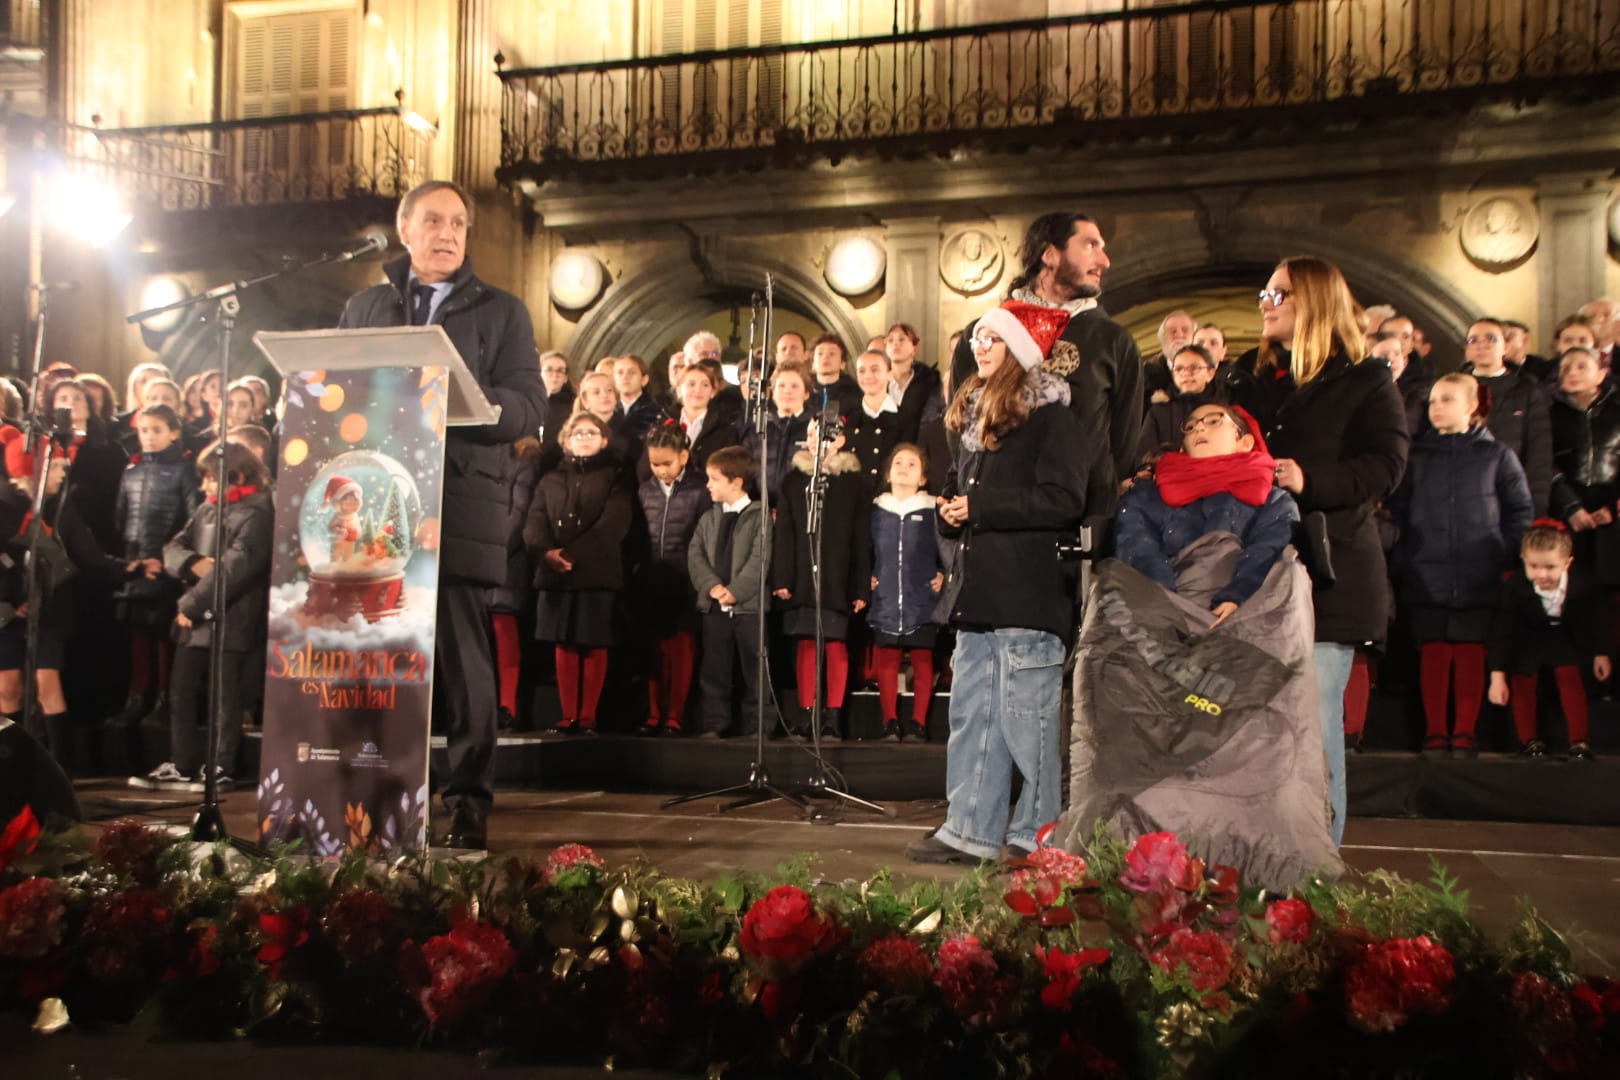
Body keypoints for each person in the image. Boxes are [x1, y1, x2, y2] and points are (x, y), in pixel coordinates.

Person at [337, 179, 546, 849]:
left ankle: (469, 800)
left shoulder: (502, 311)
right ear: (405, 230)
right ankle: (388, 794)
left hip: (457, 503)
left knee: (463, 663)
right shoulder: (367, 306)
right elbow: (335, 390)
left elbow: (529, 407)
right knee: (380, 658)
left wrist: (469, 400)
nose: (449, 233)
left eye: (459, 222)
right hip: (376, 508)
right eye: (434, 220)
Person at [907, 301, 1089, 865]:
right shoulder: (976, 420)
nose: (979, 347)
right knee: (972, 715)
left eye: (994, 339)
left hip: (1028, 594)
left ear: (1021, 351)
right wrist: (949, 511)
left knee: (1028, 723)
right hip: (980, 592)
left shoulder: (1053, 418)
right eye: (978, 338)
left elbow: (1065, 499)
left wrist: (979, 505)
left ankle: (1036, 837)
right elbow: (964, 497)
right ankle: (969, 830)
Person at [1259, 256, 1409, 846]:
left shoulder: (1366, 381)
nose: (1265, 303)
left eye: (1278, 294)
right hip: (1260, 577)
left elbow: (1386, 466)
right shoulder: (1253, 378)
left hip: (1333, 576)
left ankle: (1316, 869)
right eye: (1264, 293)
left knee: (1313, 729)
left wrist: (1307, 479)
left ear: (1314, 303)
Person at [950, 212, 1141, 520]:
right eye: (1091, 245)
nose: (1105, 260)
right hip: (992, 520)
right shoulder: (984, 333)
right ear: (1051, 254)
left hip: (1080, 521)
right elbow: (960, 426)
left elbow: (1123, 444)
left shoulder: (1112, 340)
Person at [1388, 373, 1533, 756]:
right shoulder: (1415, 457)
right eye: (1433, 401)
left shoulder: (1497, 455)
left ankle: (1465, 732)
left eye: (1447, 400)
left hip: (1478, 570)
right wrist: (1405, 557)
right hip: (1426, 569)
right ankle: (1435, 731)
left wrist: (1503, 552)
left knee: (1470, 650)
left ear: (1472, 406)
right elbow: (1397, 513)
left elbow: (1519, 510)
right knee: (1434, 650)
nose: (1436, 407)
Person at [130, 442, 273, 791]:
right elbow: (172, 548)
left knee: (226, 698)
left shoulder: (257, 514)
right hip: (195, 620)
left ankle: (222, 766)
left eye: (211, 479)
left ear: (236, 475)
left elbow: (234, 571)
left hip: (232, 618)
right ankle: (182, 762)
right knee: (181, 691)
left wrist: (189, 606)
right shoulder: (207, 510)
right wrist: (193, 563)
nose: (205, 486)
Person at [1115, 402, 1299, 626]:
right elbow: (1137, 543)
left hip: (1248, 612)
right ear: (1183, 448)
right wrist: (1163, 598)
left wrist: (1238, 596)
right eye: (1190, 427)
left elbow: (1269, 548)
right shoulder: (1148, 496)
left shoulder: (1274, 499)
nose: (1199, 428)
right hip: (1166, 609)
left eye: (1213, 421)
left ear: (1245, 442)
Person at [524, 412, 632, 736]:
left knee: (593, 643)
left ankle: (588, 715)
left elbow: (613, 524)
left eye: (591, 432)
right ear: (566, 440)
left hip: (596, 573)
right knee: (564, 644)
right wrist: (546, 552)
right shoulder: (550, 480)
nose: (584, 437)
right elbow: (534, 522)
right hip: (555, 575)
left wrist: (572, 555)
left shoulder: (616, 477)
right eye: (577, 433)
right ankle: (568, 713)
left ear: (603, 440)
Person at [771, 418, 870, 741]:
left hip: (837, 577)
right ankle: (806, 712)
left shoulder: (853, 483)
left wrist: (859, 585)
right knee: (806, 643)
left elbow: (860, 537)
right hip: (802, 575)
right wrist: (783, 577)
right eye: (810, 434)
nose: (815, 440)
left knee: (835, 643)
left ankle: (833, 716)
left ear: (839, 441)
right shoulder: (793, 481)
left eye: (823, 435)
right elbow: (784, 533)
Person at [109, 404, 199, 729]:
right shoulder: (130, 472)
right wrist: (132, 562)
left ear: (174, 432)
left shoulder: (184, 471)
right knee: (139, 636)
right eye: (144, 430)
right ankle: (136, 698)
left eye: (157, 430)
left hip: (167, 569)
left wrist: (166, 560)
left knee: (164, 636)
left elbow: (193, 519)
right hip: (137, 568)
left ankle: (163, 701)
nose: (148, 437)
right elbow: (121, 520)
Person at [1488, 521, 1610, 760]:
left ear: (1567, 563)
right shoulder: (1515, 587)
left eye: (1551, 567)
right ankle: (1529, 742)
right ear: (1523, 559)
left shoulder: (1583, 584)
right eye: (1533, 566)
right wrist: (1497, 674)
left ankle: (1579, 742)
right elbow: (1502, 631)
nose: (1542, 575)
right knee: (1523, 681)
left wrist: (1601, 652)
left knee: (1571, 679)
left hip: (1563, 635)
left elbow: (1597, 620)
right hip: (1528, 636)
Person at [634, 424, 710, 735]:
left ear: (683, 456)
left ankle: (676, 714)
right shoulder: (645, 490)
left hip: (685, 581)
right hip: (652, 580)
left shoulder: (699, 489)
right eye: (655, 463)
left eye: (667, 463)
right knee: (653, 650)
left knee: (680, 649)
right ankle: (654, 712)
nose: (661, 470)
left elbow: (703, 536)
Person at [689, 445, 769, 738]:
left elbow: (760, 558)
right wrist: (712, 586)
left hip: (748, 608)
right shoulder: (709, 518)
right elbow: (695, 555)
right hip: (714, 607)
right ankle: (714, 722)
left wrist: (736, 591)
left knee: (754, 668)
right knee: (714, 669)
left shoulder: (759, 516)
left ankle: (757, 725)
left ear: (736, 482)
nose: (708, 484)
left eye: (714, 478)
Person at [867, 443, 943, 742]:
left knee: (923, 657)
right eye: (898, 463)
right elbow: (866, 547)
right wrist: (868, 576)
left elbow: (947, 548)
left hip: (920, 594)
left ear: (923, 477)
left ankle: (918, 722)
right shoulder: (876, 509)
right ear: (888, 472)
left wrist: (943, 573)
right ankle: (889, 721)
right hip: (885, 593)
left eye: (912, 464)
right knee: (888, 657)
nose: (903, 468)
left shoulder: (933, 508)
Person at [1463, 317, 1553, 514]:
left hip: (1509, 492)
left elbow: (1539, 455)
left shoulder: (1527, 391)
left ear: (1506, 347)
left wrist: (1535, 507)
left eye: (1491, 339)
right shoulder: (1453, 388)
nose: (1481, 345)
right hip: (1463, 491)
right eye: (1473, 340)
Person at [1137, 343, 1225, 462]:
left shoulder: (1224, 408)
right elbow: (1144, 454)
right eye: (1178, 369)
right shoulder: (1159, 411)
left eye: (1194, 368)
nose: (1186, 373)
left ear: (1210, 374)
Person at [743, 361, 813, 504]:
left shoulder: (814, 429)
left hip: (799, 507)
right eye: (781, 386)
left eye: (795, 386)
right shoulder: (758, 427)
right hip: (760, 508)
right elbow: (746, 468)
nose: (787, 391)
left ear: (806, 393)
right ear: (772, 392)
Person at [847, 348, 901, 493]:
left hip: (888, 499)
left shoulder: (904, 418)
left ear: (890, 374)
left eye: (875, 369)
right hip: (851, 498)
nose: (868, 376)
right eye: (861, 371)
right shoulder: (847, 416)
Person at [674, 362, 739, 480]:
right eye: (691, 384)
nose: (698, 390)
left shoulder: (726, 431)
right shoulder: (663, 424)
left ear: (713, 392)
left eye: (705, 385)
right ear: (679, 390)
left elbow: (729, 473)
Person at [884, 323, 944, 444]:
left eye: (901, 339)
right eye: (890, 340)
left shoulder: (928, 381)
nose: (895, 343)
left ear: (914, 347)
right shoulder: (879, 382)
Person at [1145, 310, 1197, 407]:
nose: (1179, 335)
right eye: (1172, 331)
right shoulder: (1146, 375)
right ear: (1163, 339)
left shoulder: (1208, 372)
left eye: (1185, 330)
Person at [809, 333, 862, 419]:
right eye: (820, 353)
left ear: (842, 364)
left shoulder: (855, 393)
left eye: (832, 353)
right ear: (813, 363)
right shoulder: (804, 391)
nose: (825, 357)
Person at [612, 354, 660, 441]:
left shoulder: (654, 412)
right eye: (620, 372)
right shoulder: (609, 410)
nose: (625, 377)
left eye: (631, 372)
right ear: (614, 380)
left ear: (644, 380)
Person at [539, 351, 576, 457]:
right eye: (549, 369)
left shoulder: (573, 405)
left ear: (566, 378)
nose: (555, 375)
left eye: (560, 370)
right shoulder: (527, 402)